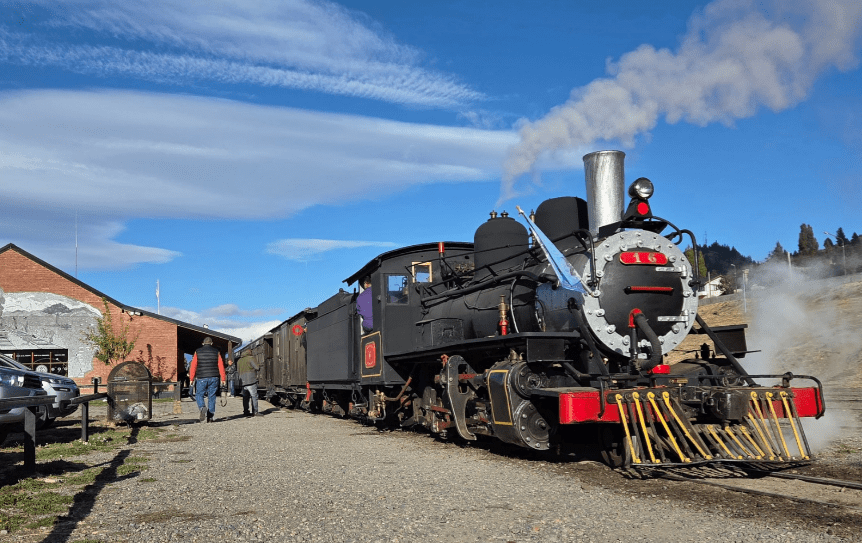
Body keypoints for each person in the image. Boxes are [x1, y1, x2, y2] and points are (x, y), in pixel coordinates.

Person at [189, 336, 226, 423]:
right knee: (212, 396)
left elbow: (193, 366)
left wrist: (191, 378)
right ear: (211, 343)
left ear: (203, 343)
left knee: (199, 394)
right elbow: (221, 366)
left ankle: (202, 407)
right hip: (214, 377)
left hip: (201, 377)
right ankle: (210, 417)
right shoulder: (216, 351)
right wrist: (223, 378)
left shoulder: (197, 351)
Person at [236, 349, 261, 417]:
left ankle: (246, 411)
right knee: (254, 396)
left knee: (245, 397)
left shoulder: (239, 361)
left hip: (242, 381)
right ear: (250, 353)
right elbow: (257, 367)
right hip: (251, 380)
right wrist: (258, 364)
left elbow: (238, 370)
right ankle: (255, 412)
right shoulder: (251, 358)